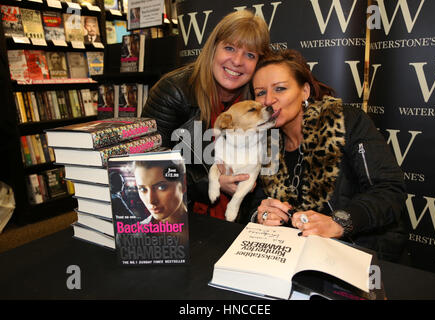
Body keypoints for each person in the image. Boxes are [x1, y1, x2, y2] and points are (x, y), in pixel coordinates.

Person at [250, 49, 407, 262]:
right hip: (294, 259)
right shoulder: (266, 143)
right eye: (260, 93)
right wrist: (263, 215)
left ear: (304, 91)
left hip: (362, 256)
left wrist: (338, 223)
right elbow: (257, 201)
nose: (269, 100)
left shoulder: (346, 121)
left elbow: (389, 190)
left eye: (280, 88)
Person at [141, 10, 271, 221]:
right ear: (213, 48)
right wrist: (208, 184)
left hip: (240, 222)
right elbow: (146, 166)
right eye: (229, 48)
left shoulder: (259, 101)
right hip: (181, 216)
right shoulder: (173, 91)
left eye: (250, 55)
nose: (237, 61)